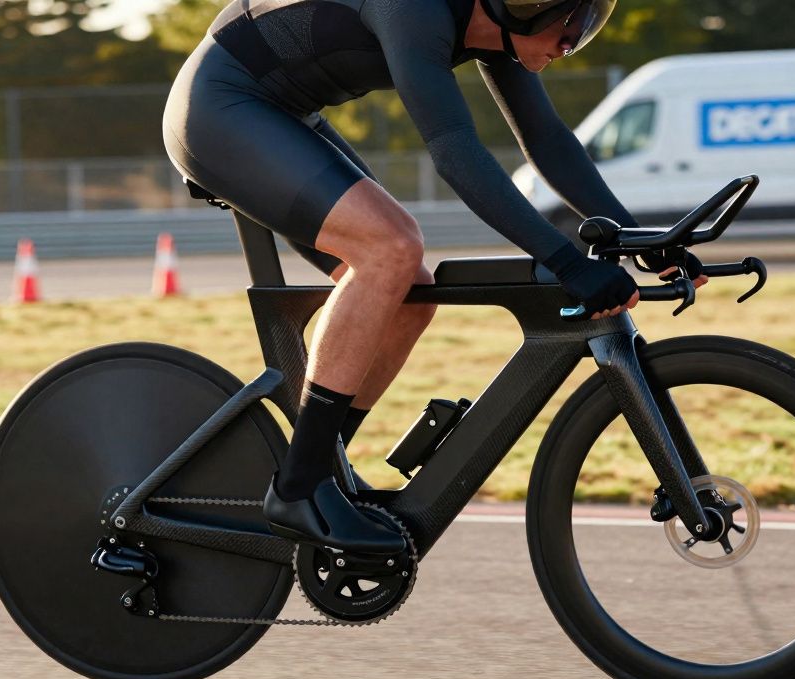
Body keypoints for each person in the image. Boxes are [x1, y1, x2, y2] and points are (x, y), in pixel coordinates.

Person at [163, 0, 703, 552]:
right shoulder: (417, 8)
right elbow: (454, 151)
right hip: (222, 108)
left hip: (284, 115)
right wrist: (566, 263)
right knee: (391, 248)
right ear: (525, 5)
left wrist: (640, 240)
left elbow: (546, 140)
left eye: (586, 27)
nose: (572, 42)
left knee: (411, 293)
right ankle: (300, 488)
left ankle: (313, 468)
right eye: (571, 24)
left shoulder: (496, 29)